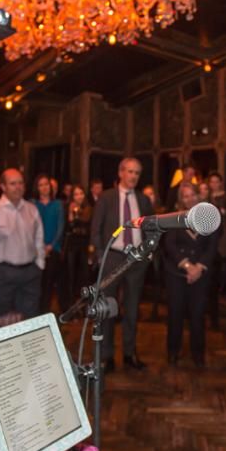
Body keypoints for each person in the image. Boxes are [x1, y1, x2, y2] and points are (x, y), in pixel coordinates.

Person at [90, 157, 153, 372]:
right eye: (130, 171)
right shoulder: (106, 197)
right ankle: (106, 356)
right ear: (120, 172)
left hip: (136, 260)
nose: (133, 176)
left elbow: (151, 228)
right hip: (113, 259)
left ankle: (129, 353)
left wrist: (147, 254)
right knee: (108, 309)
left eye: (137, 172)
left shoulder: (143, 200)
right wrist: (101, 256)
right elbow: (96, 229)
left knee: (132, 310)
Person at [0, 169, 44, 319]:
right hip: (2, 274)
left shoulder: (32, 210)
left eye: (20, 183)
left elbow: (39, 239)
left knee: (30, 322)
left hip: (30, 273)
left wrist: (39, 263)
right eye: (12, 184)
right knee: (2, 324)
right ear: (3, 187)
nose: (18, 187)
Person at [162, 182, 218, 367]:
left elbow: (212, 246)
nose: (190, 198)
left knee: (198, 315)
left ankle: (198, 354)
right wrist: (187, 266)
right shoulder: (174, 218)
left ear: (198, 196)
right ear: (181, 199)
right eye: (185, 196)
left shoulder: (208, 217)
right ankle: (173, 351)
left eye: (192, 194)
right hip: (176, 273)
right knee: (175, 314)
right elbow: (170, 245)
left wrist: (199, 267)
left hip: (200, 274)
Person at [206, 171, 226, 330]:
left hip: (223, 233)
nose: (214, 184)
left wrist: (224, 212)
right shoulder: (206, 197)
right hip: (210, 233)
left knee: (222, 263)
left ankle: (221, 288)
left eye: (216, 181)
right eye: (212, 182)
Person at [33, 174, 64, 313]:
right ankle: (35, 312)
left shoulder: (57, 204)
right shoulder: (33, 204)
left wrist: (51, 245)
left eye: (46, 184)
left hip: (53, 248)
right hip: (36, 250)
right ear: (37, 188)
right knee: (37, 283)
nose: (44, 187)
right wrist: (39, 246)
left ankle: (44, 312)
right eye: (41, 185)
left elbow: (60, 227)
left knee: (49, 283)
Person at [60, 185, 94, 311]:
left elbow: (88, 224)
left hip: (84, 244)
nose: (79, 196)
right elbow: (68, 226)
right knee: (70, 276)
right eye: (76, 194)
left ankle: (84, 306)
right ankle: (70, 307)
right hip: (71, 244)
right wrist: (71, 213)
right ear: (72, 196)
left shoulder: (89, 208)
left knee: (84, 276)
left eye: (81, 193)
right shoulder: (68, 208)